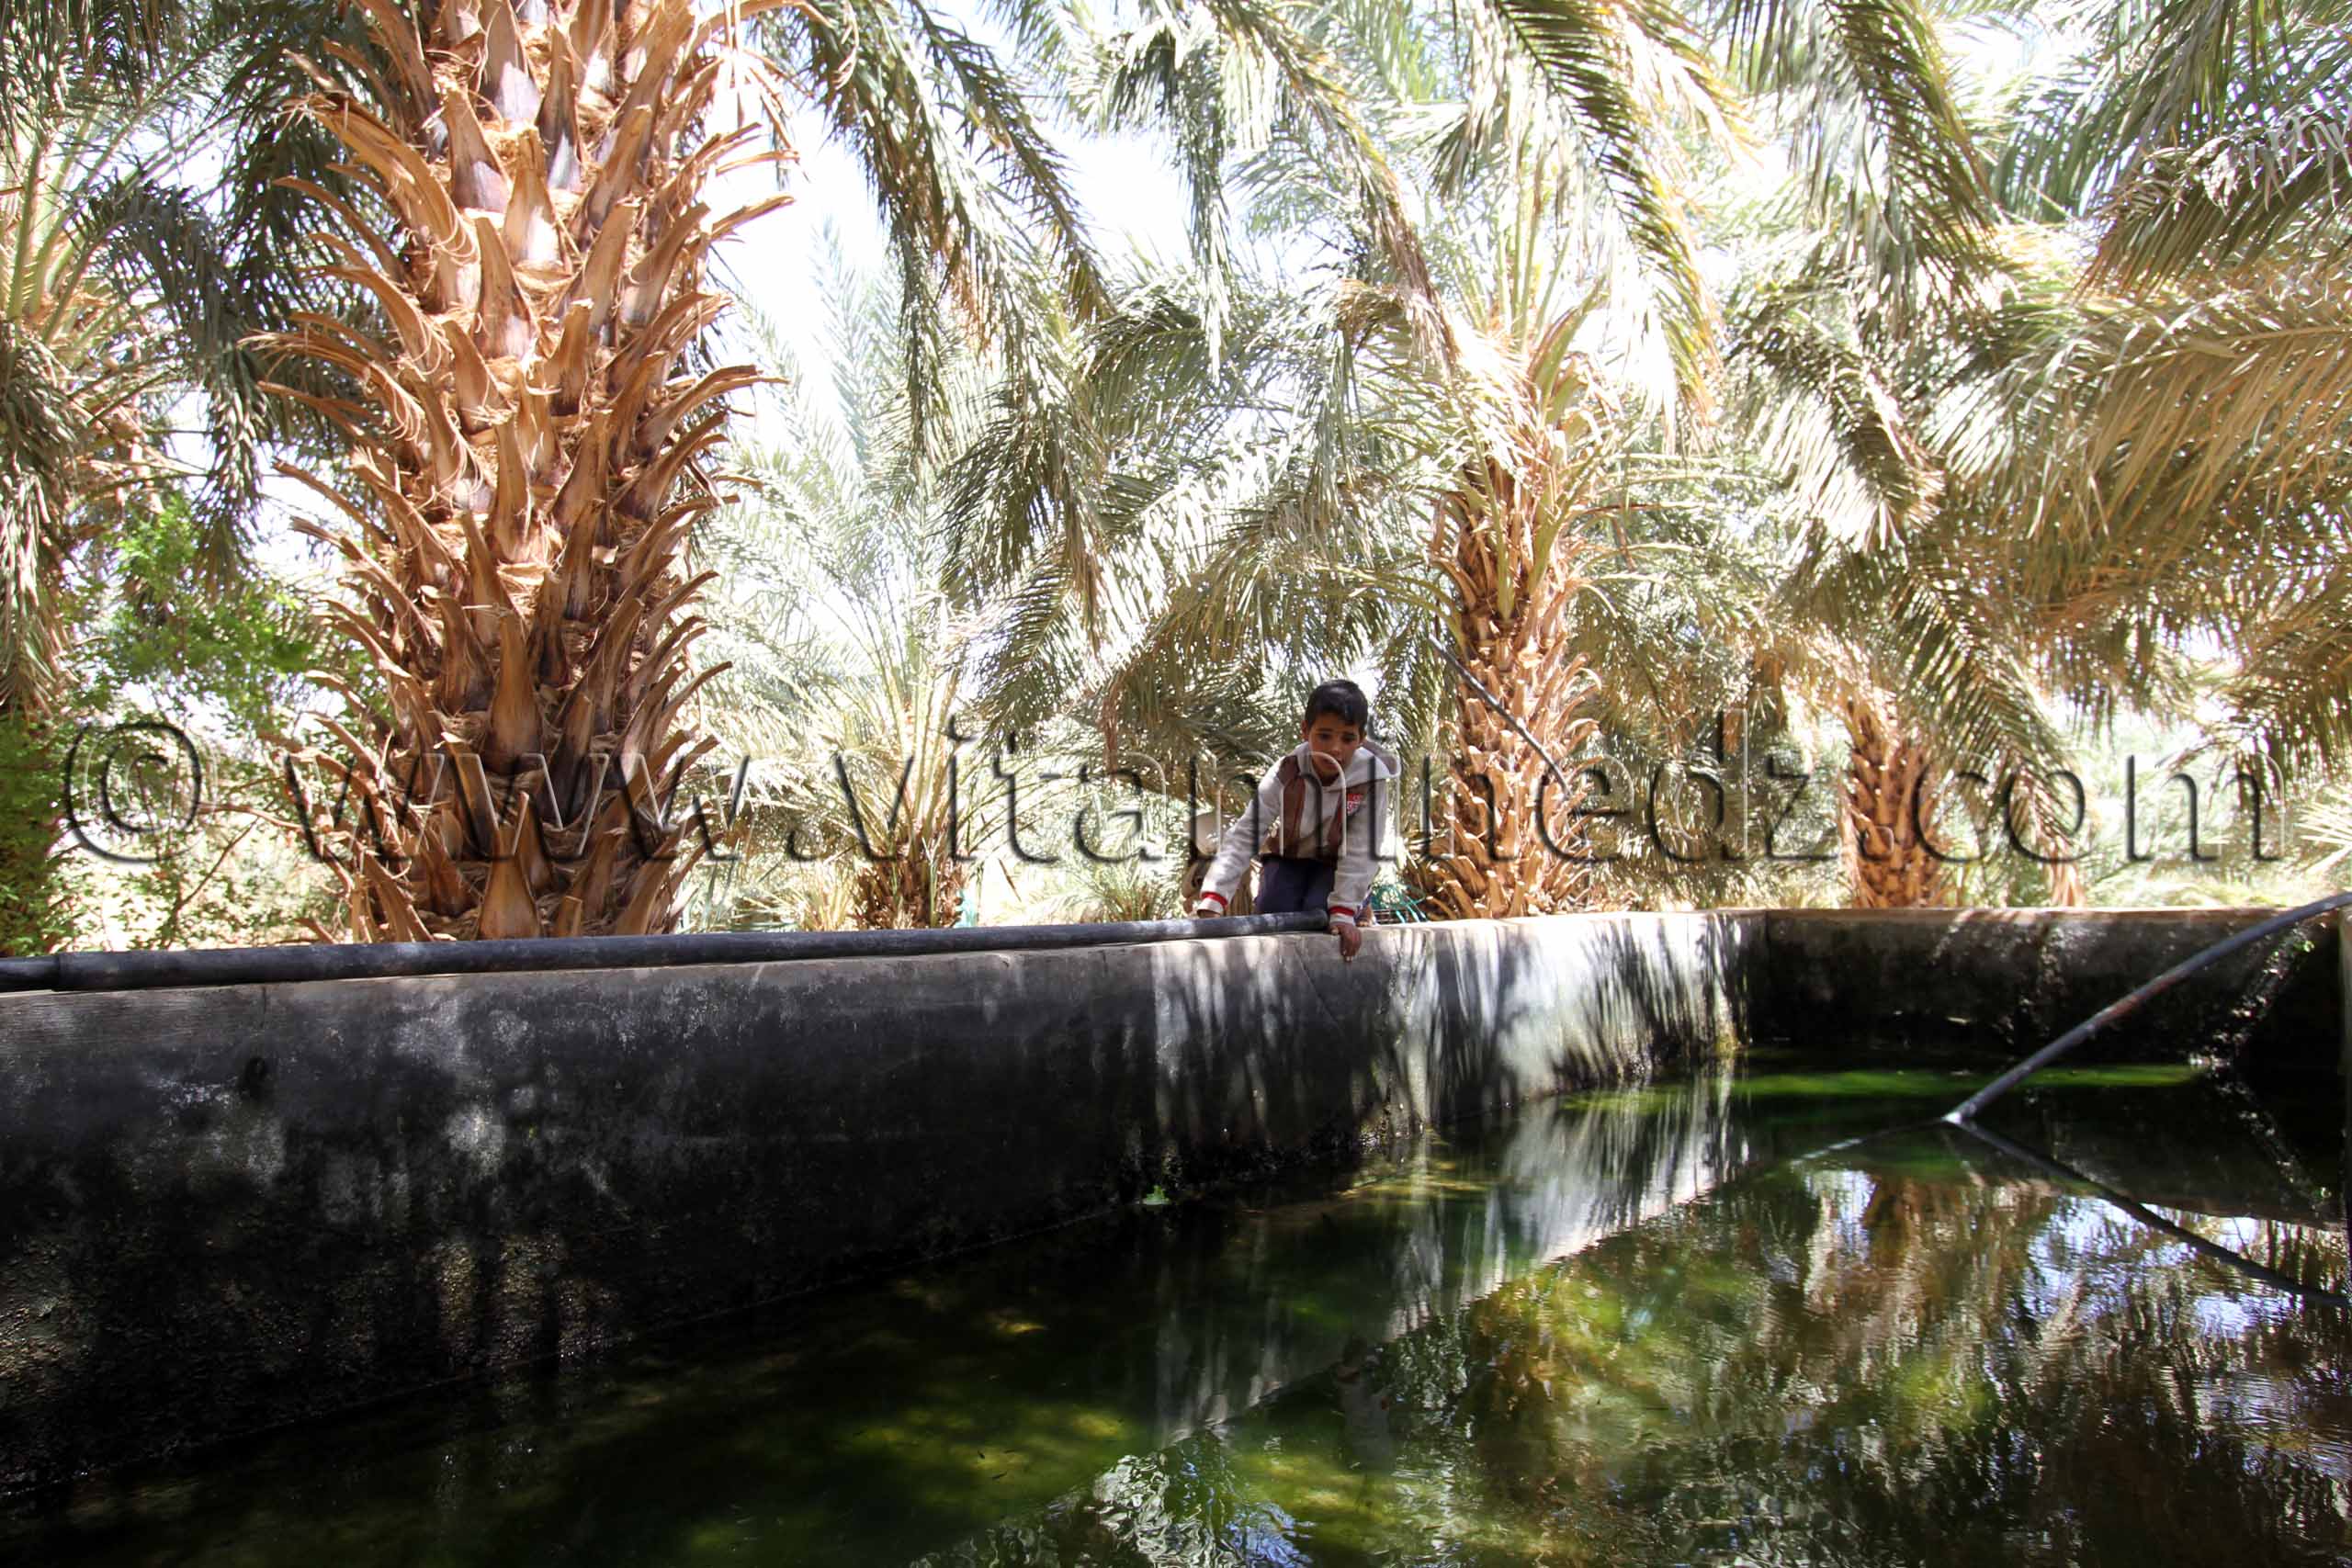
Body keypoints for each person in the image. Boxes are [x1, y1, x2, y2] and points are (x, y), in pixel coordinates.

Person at [1191, 680, 1398, 961]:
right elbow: (1247, 832)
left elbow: (1363, 848)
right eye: (1324, 736)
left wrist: (1344, 912)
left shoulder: (1371, 779)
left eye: (1347, 739)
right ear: (1305, 731)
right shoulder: (1287, 771)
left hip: (1337, 862)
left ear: (1360, 739)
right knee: (1276, 911)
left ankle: (1361, 902)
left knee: (1320, 914)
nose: (1335, 748)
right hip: (1291, 856)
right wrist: (1213, 899)